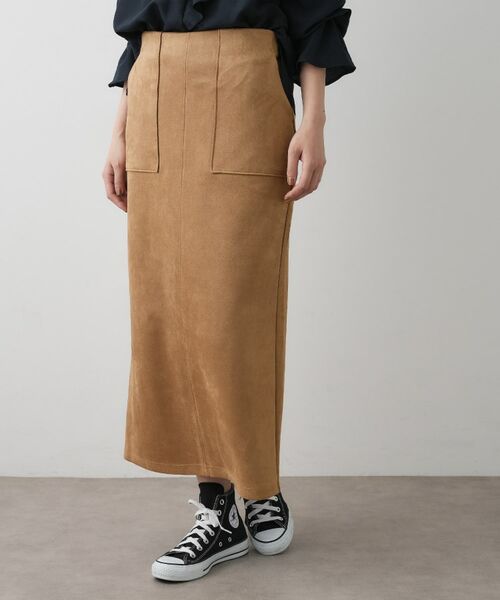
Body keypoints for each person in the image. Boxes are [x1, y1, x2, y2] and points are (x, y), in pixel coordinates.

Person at [103, 0, 355, 583]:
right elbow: (138, 35)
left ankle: (259, 484)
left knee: (235, 313)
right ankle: (218, 507)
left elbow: (313, 16)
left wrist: (314, 122)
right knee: (169, 309)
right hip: (155, 92)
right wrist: (118, 131)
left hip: (247, 90)